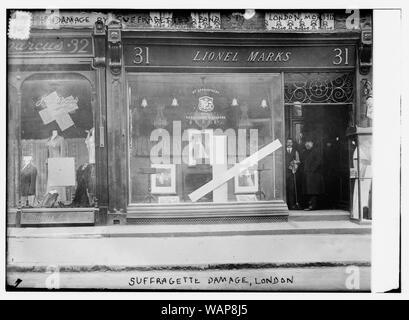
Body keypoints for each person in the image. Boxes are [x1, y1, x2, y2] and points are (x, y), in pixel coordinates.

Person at [301, 139, 324, 211]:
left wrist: (311, 170)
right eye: (306, 142)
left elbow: (318, 162)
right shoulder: (305, 152)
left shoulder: (316, 151)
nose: (307, 144)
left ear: (312, 143)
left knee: (313, 191)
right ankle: (309, 205)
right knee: (308, 191)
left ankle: (312, 206)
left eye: (309, 142)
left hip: (314, 175)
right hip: (307, 174)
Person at [285, 138, 300, 210]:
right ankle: (285, 204)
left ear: (292, 143)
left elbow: (298, 161)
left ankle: (291, 205)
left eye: (290, 142)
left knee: (291, 189)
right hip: (284, 173)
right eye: (288, 142)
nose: (289, 143)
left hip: (292, 172)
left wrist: (294, 164)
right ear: (286, 143)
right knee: (284, 189)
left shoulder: (295, 151)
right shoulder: (283, 151)